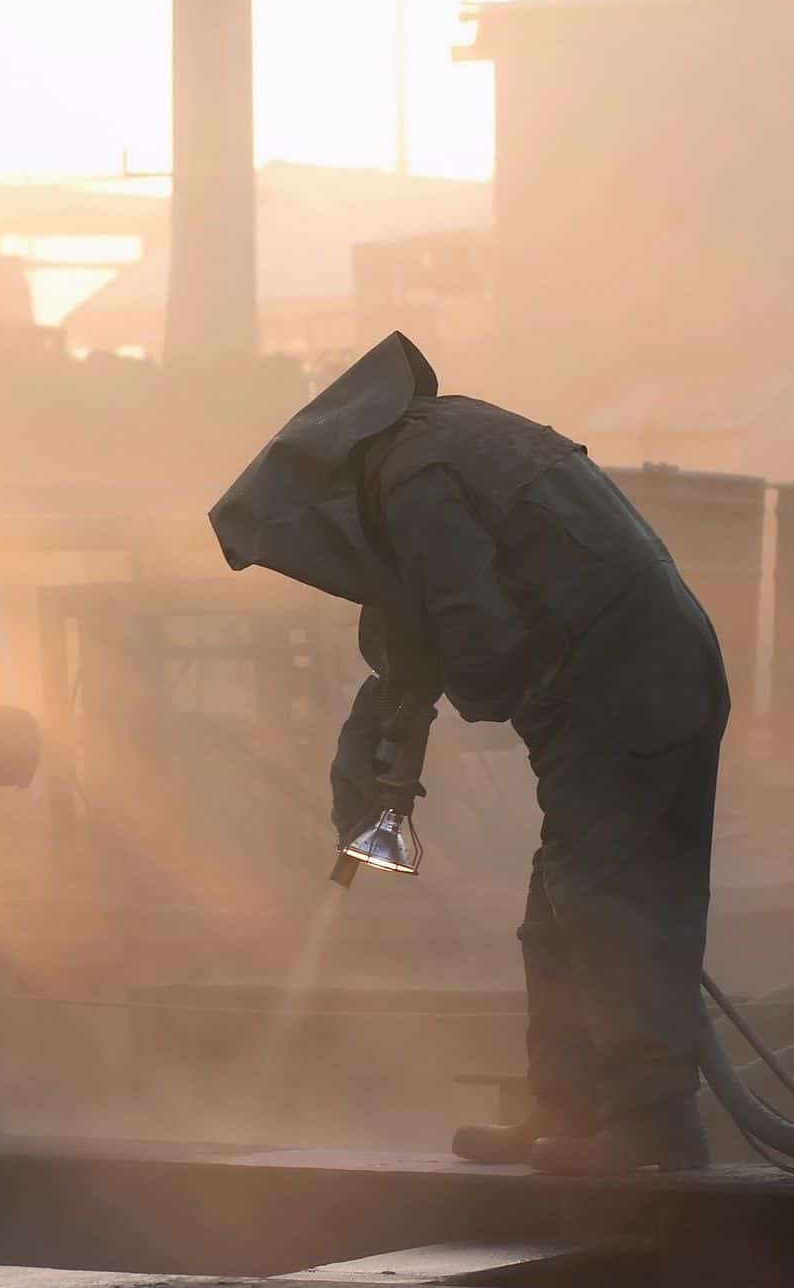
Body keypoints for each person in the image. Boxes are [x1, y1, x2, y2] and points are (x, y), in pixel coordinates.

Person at [210, 332, 729, 1175]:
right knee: (558, 906)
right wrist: (388, 727)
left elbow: (476, 644)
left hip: (626, 682)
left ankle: (651, 1125)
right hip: (640, 670)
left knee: (602, 897)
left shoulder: (415, 479)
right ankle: (569, 1110)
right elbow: (423, 629)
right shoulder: (436, 444)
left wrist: (420, 715)